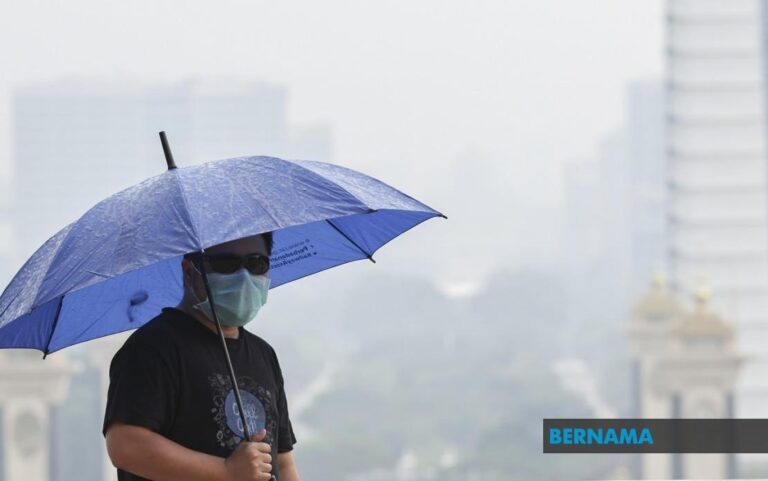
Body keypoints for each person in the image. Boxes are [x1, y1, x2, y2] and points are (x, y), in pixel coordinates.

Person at [103, 232, 300, 481]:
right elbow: (126, 445)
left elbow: (282, 460)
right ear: (189, 271)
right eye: (226, 264)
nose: (243, 276)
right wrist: (226, 471)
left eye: (256, 263)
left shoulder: (263, 354)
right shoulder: (153, 347)